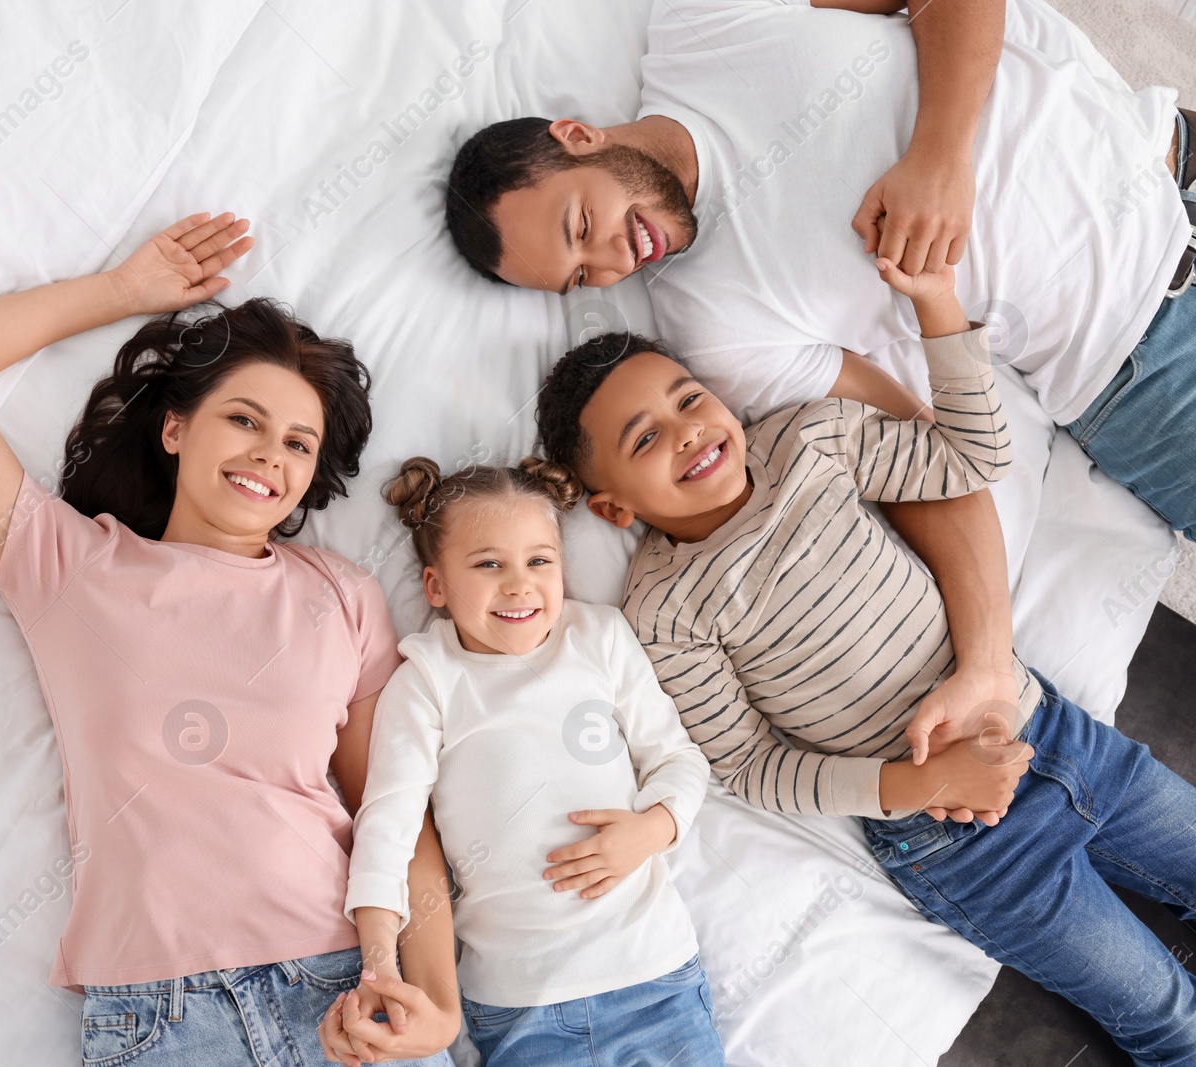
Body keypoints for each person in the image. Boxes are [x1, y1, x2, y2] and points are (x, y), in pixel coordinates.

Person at [532, 244, 1196, 1062]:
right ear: (613, 506)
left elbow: (972, 458)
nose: (689, 433)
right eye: (646, 440)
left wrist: (938, 308)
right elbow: (748, 765)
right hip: (957, 837)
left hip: (1050, 727)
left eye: (689, 399)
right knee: (1164, 1010)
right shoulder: (665, 610)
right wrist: (919, 783)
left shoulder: (810, 439)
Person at [0, 212, 458, 1067]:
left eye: (298, 442)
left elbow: (398, 816)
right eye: (245, 421)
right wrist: (119, 292)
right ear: (176, 428)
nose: (271, 455)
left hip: (347, 985)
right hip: (166, 1020)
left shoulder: (343, 595)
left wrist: (437, 1007)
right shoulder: (70, 566)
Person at [445, 0, 1196, 541]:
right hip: (1139, 362)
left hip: (1161, 149)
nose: (612, 261)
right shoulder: (714, 334)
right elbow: (929, 448)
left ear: (578, 135)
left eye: (583, 226)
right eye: (582, 277)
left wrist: (939, 155)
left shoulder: (702, 24)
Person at [327, 457, 721, 1066]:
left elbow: (679, 759)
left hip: (654, 978)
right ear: (434, 587)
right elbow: (389, 827)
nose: (519, 585)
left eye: (539, 561)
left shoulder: (601, 639)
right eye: (488, 565)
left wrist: (651, 830)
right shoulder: (427, 681)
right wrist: (378, 963)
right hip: (519, 1006)